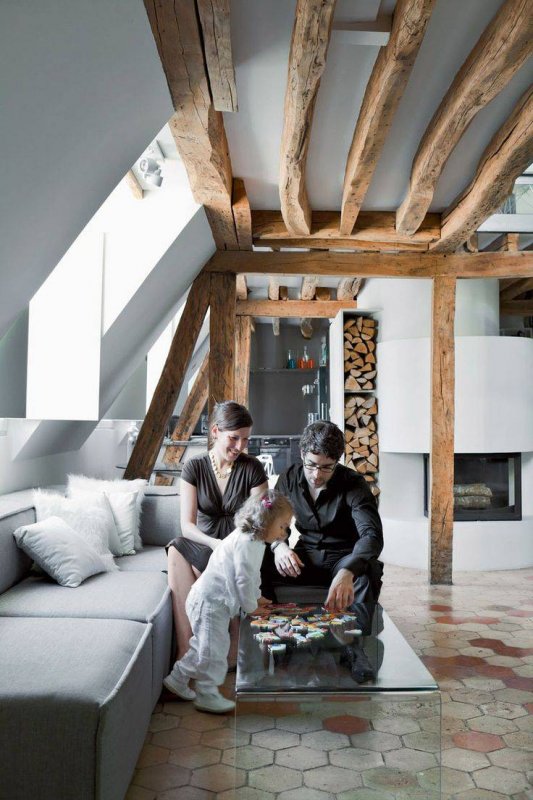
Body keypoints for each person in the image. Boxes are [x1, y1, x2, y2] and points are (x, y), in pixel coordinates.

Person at [163, 490, 293, 713]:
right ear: (266, 521)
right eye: (282, 526)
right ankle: (207, 694)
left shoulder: (256, 542)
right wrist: (251, 607)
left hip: (216, 603)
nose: (284, 533)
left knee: (203, 647)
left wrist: (257, 596)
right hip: (209, 603)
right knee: (213, 652)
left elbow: (253, 575)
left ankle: (177, 679)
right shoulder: (245, 542)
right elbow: (242, 580)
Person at [167, 401, 268, 660]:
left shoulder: (253, 468)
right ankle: (185, 649)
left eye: (245, 439)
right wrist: (214, 545)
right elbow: (187, 526)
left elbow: (259, 523)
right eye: (234, 438)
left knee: (222, 565)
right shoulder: (194, 467)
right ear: (215, 432)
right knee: (176, 548)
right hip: (205, 545)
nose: (240, 446)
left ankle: (230, 646)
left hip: (239, 549)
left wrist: (228, 548)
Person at [261, 420, 383, 611]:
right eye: (311, 464)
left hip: (344, 557)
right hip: (305, 557)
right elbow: (273, 521)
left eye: (326, 467)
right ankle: (270, 624)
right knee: (259, 558)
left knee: (365, 574)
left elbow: (371, 535)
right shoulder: (289, 478)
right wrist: (279, 546)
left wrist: (348, 570)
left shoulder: (354, 483)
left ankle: (359, 630)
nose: (317, 475)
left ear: (337, 460)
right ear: (302, 454)